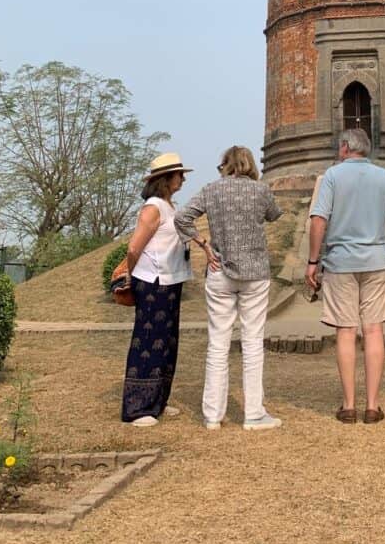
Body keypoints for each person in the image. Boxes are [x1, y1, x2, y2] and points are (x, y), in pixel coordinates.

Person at [174, 145, 283, 432]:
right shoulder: (260, 190)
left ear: (225, 164)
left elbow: (181, 217)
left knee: (218, 344)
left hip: (219, 270)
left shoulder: (212, 190)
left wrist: (203, 244)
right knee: (252, 342)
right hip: (254, 273)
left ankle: (212, 415)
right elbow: (275, 214)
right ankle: (254, 414)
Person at [305, 128, 385, 424]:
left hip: (340, 262)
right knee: (374, 331)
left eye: (340, 146)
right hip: (377, 261)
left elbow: (319, 219)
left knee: (346, 332)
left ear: (346, 147)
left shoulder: (332, 176)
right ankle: (372, 406)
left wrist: (312, 261)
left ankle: (348, 405)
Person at [121, 152, 213, 427]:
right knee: (148, 342)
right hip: (153, 280)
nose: (182, 179)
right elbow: (134, 247)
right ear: (166, 178)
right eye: (179, 174)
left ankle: (157, 400)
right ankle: (137, 407)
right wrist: (130, 274)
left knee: (167, 342)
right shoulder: (153, 208)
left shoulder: (168, 207)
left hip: (170, 280)